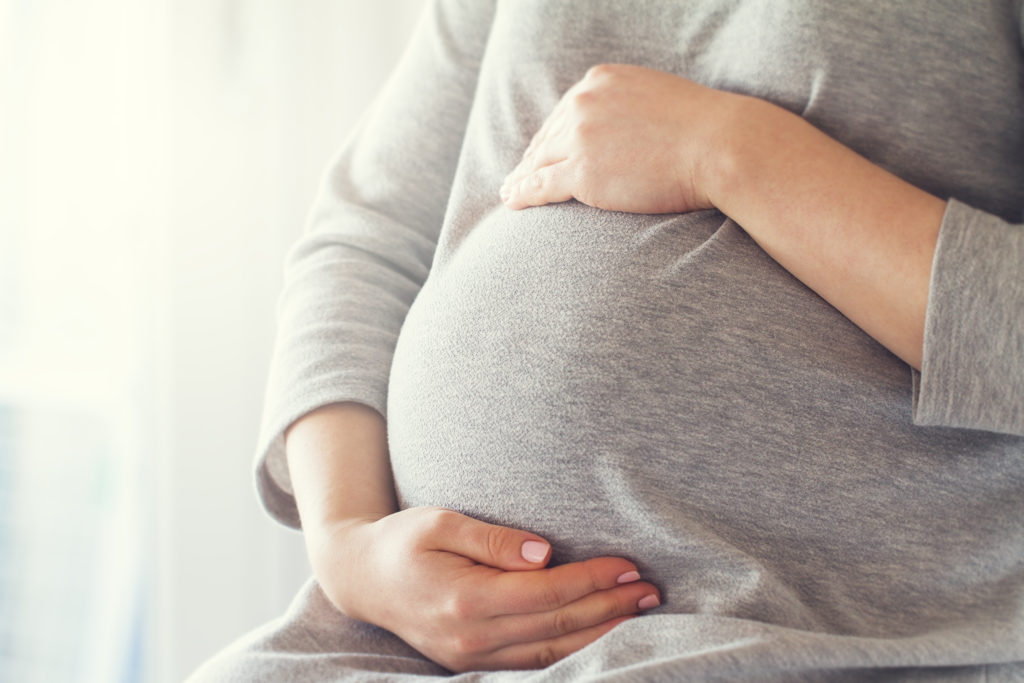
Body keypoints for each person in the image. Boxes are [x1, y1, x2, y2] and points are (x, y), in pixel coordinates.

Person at [189, 0, 1024, 680]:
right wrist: (349, 548)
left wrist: (729, 151)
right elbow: (365, 236)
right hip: (406, 639)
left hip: (818, 634)